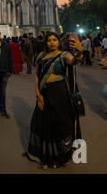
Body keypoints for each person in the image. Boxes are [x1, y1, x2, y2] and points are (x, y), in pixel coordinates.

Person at [23, 32, 83, 169]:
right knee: (42, 123)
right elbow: (37, 76)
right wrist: (38, 95)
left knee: (59, 124)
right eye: (49, 40)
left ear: (58, 42)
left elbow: (73, 62)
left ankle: (59, 156)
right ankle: (44, 155)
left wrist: (79, 52)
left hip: (60, 95)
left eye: (54, 40)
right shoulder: (41, 56)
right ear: (46, 42)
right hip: (44, 94)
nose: (52, 42)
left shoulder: (63, 55)